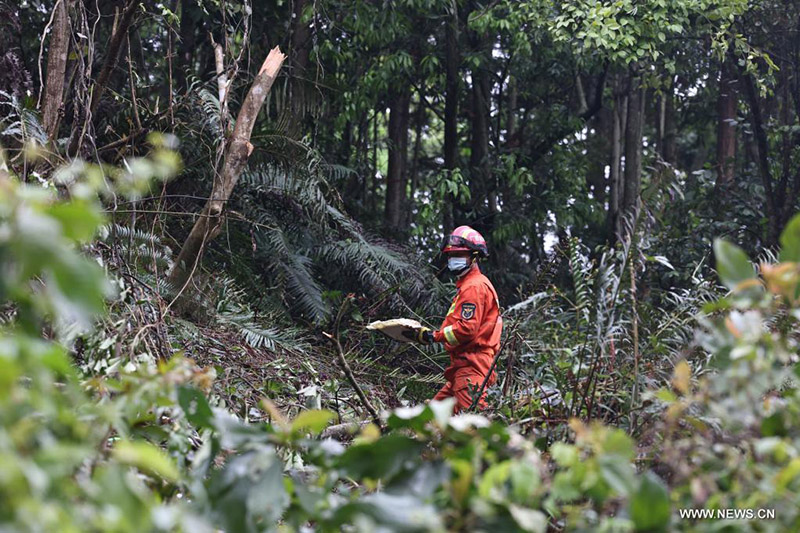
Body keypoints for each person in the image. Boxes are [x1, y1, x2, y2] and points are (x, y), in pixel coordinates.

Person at [404, 225, 502, 413]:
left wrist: (433, 336)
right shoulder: (472, 285)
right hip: (464, 367)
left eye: (459, 254)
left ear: (474, 257)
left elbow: (467, 329)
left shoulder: (474, 286)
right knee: (431, 419)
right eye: (451, 255)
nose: (453, 259)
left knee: (474, 429)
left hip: (471, 368)